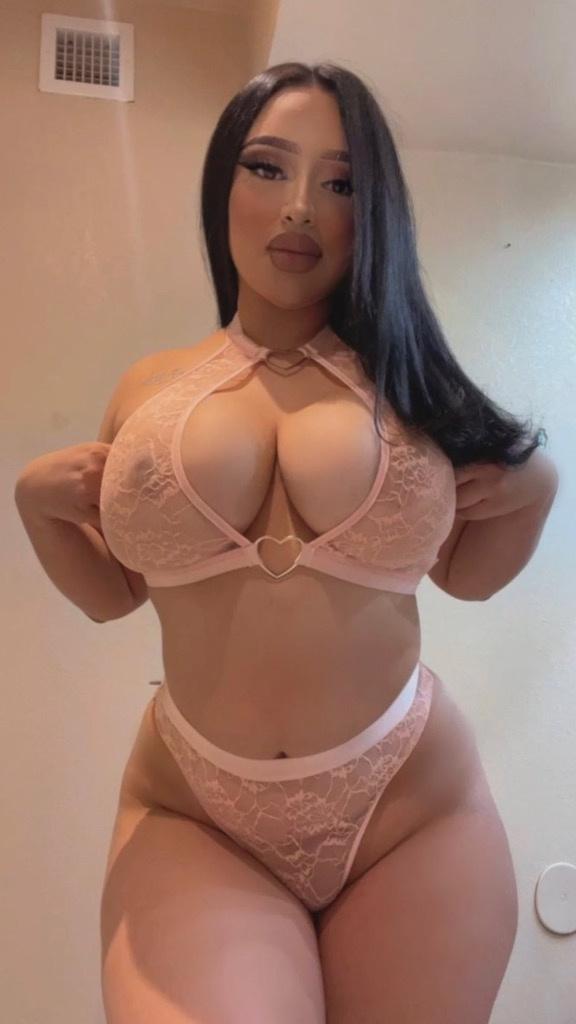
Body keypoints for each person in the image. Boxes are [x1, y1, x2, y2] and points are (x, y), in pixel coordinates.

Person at [15, 62, 559, 1024]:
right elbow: (112, 594)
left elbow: (469, 577)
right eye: (268, 167)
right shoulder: (150, 388)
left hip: (411, 810)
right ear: (222, 182)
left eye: (340, 182)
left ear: (371, 213)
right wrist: (35, 508)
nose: (301, 204)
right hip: (197, 811)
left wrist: (539, 489)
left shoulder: (408, 384)